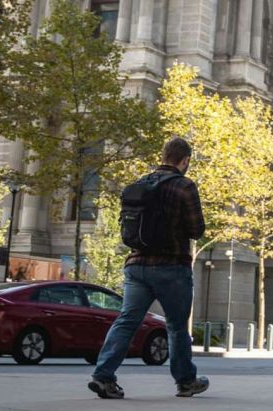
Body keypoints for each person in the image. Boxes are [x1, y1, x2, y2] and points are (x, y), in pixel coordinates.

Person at [89, 138, 209, 400]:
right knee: (176, 327)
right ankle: (185, 381)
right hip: (171, 267)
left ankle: (103, 376)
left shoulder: (141, 183)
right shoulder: (185, 186)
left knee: (126, 321)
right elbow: (196, 229)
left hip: (137, 266)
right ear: (185, 160)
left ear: (163, 156)